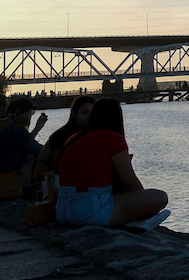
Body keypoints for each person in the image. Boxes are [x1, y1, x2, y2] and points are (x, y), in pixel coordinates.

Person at [56, 98, 168, 230]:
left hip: (62, 210)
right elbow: (130, 181)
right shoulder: (113, 138)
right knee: (160, 197)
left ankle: (129, 220)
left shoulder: (73, 138)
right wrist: (141, 202)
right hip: (89, 210)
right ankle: (134, 222)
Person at [0, 97, 48, 192]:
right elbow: (41, 151)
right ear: (26, 115)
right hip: (2, 182)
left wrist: (37, 128)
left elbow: (25, 144)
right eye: (32, 113)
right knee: (34, 157)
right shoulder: (16, 133)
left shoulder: (7, 130)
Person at [33, 95, 96, 189]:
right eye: (84, 113)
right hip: (46, 182)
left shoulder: (91, 134)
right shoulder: (62, 136)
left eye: (92, 114)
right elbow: (57, 167)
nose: (89, 117)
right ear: (74, 114)